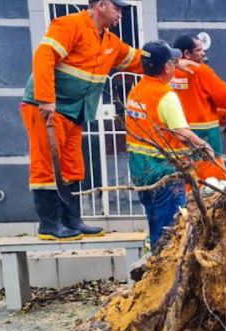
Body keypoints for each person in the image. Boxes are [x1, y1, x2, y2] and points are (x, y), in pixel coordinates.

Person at [20, 0, 143, 240]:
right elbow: (44, 56)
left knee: (72, 166)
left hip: (75, 111)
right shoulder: (69, 25)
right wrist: (45, 98)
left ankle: (71, 220)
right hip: (46, 108)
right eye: (117, 9)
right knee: (46, 164)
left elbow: (137, 59)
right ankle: (49, 225)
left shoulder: (109, 41)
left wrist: (174, 63)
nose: (121, 14)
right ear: (102, 5)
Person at [125, 40, 212, 248]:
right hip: (165, 173)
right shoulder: (166, 95)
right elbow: (181, 133)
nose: (175, 65)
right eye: (172, 62)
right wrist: (203, 146)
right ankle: (164, 271)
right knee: (171, 231)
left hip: (141, 171)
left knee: (155, 223)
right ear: (166, 68)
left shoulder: (136, 91)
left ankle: (153, 263)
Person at [171, 34, 226, 184]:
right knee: (214, 183)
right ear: (187, 54)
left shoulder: (169, 72)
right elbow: (224, 96)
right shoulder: (201, 71)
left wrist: (223, 115)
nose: (203, 53)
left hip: (177, 137)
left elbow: (197, 102)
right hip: (205, 137)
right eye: (199, 50)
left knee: (186, 183)